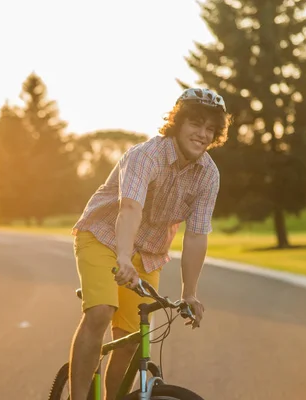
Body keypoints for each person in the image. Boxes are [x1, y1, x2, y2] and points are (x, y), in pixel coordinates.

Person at [68, 88, 233, 400]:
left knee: (132, 339)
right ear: (178, 123)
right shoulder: (146, 156)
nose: (202, 134)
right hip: (103, 238)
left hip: (149, 254)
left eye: (210, 129)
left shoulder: (208, 174)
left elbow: (196, 234)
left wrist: (189, 293)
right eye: (195, 124)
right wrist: (123, 257)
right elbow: (129, 209)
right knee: (101, 311)